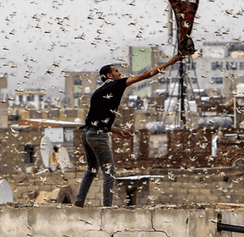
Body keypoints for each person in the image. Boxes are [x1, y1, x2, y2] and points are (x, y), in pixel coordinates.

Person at [73, 53, 183, 207]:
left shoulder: (97, 93)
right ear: (110, 75)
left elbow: (96, 121)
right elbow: (145, 75)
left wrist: (117, 131)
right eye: (117, 71)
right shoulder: (117, 85)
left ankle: (78, 203)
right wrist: (169, 63)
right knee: (109, 173)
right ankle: (107, 209)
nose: (120, 73)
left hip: (87, 134)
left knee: (91, 169)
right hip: (98, 135)